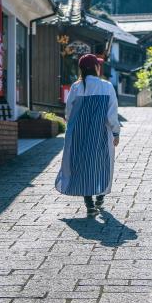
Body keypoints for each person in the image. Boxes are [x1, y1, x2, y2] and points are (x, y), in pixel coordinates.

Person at [55, 53, 120, 216]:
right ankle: (100, 198)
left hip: (78, 134)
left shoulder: (76, 87)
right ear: (96, 67)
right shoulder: (107, 86)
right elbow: (112, 114)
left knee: (83, 166)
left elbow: (68, 113)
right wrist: (116, 131)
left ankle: (89, 204)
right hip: (100, 134)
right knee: (102, 164)